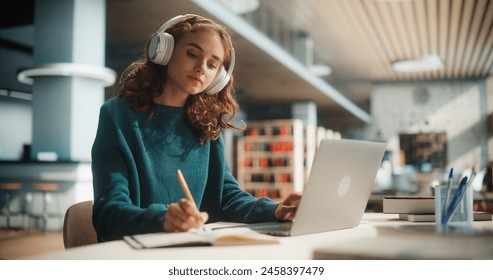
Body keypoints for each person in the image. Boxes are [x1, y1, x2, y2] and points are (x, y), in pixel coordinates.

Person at [91, 14, 301, 242]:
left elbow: (227, 197)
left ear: (218, 77)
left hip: (192, 249)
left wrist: (275, 210)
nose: (202, 68)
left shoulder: (207, 124)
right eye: (192, 54)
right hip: (136, 254)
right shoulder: (117, 115)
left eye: (212, 64)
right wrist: (162, 219)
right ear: (165, 51)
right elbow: (108, 210)